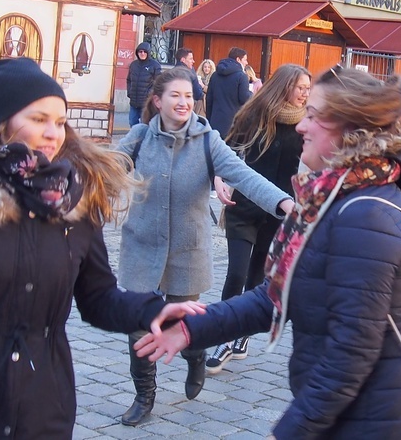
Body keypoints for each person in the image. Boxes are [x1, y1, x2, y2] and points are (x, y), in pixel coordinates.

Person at [135, 66, 401, 438]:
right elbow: (277, 297)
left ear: (350, 131)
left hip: (370, 422)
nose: (301, 126)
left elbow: (348, 359)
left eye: (313, 116)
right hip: (349, 416)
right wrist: (190, 329)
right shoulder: (336, 198)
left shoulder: (365, 217)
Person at [0, 57, 200, 439]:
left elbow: (98, 297)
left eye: (61, 122)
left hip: (44, 407)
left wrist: (154, 309)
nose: (54, 133)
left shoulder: (73, 207)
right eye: (38, 119)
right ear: (1, 124)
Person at [115, 67, 294, 427]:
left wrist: (286, 205)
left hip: (186, 250)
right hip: (141, 246)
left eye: (188, 96)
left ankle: (195, 357)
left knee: (183, 323)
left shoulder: (207, 140)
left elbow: (245, 176)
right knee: (139, 327)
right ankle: (144, 395)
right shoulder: (138, 137)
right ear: (157, 101)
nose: (183, 102)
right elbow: (106, 169)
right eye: (174, 96)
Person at [205, 64, 310, 374]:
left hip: (280, 211)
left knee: (256, 275)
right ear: (285, 86)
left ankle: (243, 333)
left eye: (308, 87)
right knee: (235, 273)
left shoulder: (308, 123)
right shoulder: (254, 114)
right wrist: (219, 178)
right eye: (301, 87)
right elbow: (228, 150)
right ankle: (225, 335)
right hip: (244, 206)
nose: (306, 93)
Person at [206, 47, 251, 138]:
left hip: (215, 122)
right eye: (245, 60)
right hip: (233, 124)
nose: (247, 63)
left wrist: (209, 120)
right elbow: (244, 98)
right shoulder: (242, 76)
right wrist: (253, 95)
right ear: (238, 59)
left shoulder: (215, 75)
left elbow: (209, 100)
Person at [126, 41, 161, 127]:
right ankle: (135, 139)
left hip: (146, 102)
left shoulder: (155, 65)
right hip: (134, 100)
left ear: (148, 53)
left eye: (144, 51)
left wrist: (150, 95)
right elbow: (129, 80)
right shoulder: (133, 65)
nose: (142, 53)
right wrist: (129, 92)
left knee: (144, 123)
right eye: (140, 51)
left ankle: (144, 140)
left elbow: (158, 83)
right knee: (132, 122)